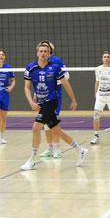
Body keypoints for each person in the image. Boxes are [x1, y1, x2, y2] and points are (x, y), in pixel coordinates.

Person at [21, 40, 87, 170]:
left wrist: (73, 99)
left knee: (36, 128)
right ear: (37, 53)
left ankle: (32, 159)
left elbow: (66, 84)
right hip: (40, 102)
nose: (43, 53)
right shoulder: (30, 68)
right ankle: (80, 150)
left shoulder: (55, 68)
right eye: (41, 51)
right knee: (57, 131)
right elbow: (27, 87)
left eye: (45, 51)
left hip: (51, 102)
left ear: (49, 54)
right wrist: (31, 101)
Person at [90, 51, 110, 145]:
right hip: (100, 96)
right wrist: (96, 94)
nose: (106, 58)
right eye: (104, 57)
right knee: (96, 115)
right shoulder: (98, 69)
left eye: (108, 57)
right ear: (102, 58)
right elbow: (97, 82)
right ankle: (96, 136)